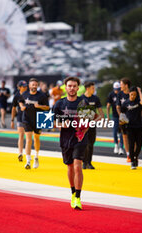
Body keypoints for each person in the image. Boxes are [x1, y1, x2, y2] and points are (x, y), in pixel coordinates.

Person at [53, 76, 86, 210]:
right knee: (70, 167)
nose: (72, 88)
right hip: (65, 139)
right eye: (69, 86)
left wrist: (81, 126)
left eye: (74, 86)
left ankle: (78, 197)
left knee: (78, 166)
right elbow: (53, 122)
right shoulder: (59, 104)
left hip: (80, 139)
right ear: (65, 88)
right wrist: (62, 125)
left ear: (78, 88)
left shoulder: (83, 103)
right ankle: (72, 192)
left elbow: (88, 122)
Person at [19, 78, 49, 169]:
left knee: (36, 138)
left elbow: (47, 107)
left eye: (36, 85)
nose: (34, 86)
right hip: (26, 119)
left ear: (37, 86)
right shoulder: (25, 94)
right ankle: (28, 161)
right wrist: (21, 107)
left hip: (38, 119)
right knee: (28, 139)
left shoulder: (42, 96)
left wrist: (39, 106)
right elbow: (20, 101)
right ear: (29, 86)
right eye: (33, 85)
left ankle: (36, 156)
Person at [121, 86, 142, 169]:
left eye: (134, 95)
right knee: (131, 144)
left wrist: (139, 91)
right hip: (129, 127)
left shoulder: (138, 102)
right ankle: (132, 162)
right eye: (131, 94)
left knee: (139, 144)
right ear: (129, 94)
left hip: (139, 126)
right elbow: (122, 115)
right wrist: (122, 127)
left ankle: (135, 156)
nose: (133, 96)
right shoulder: (125, 103)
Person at [81, 81, 104, 169]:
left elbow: (101, 114)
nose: (94, 90)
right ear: (87, 88)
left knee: (91, 144)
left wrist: (94, 121)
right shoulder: (81, 99)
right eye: (92, 88)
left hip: (92, 124)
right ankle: (84, 162)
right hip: (83, 125)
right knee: (84, 144)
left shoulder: (96, 99)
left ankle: (89, 162)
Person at [11, 80, 28, 162]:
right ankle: (20, 153)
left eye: (26, 86)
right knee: (21, 135)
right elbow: (13, 108)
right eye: (24, 86)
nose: (26, 88)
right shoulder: (16, 96)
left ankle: (28, 154)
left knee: (28, 137)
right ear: (19, 87)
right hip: (20, 117)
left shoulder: (29, 94)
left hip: (29, 117)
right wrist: (12, 120)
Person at [106, 81, 124, 155]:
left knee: (122, 131)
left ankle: (121, 147)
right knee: (115, 130)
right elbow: (108, 106)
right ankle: (116, 144)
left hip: (122, 115)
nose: (116, 91)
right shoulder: (111, 94)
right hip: (115, 115)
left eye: (118, 89)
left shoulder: (122, 94)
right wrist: (107, 116)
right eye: (115, 89)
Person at [116, 78, 131, 160]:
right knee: (124, 136)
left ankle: (134, 154)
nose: (120, 86)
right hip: (123, 119)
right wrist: (121, 116)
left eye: (121, 84)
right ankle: (128, 154)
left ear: (126, 85)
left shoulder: (132, 93)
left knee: (133, 136)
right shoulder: (119, 94)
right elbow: (117, 107)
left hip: (133, 118)